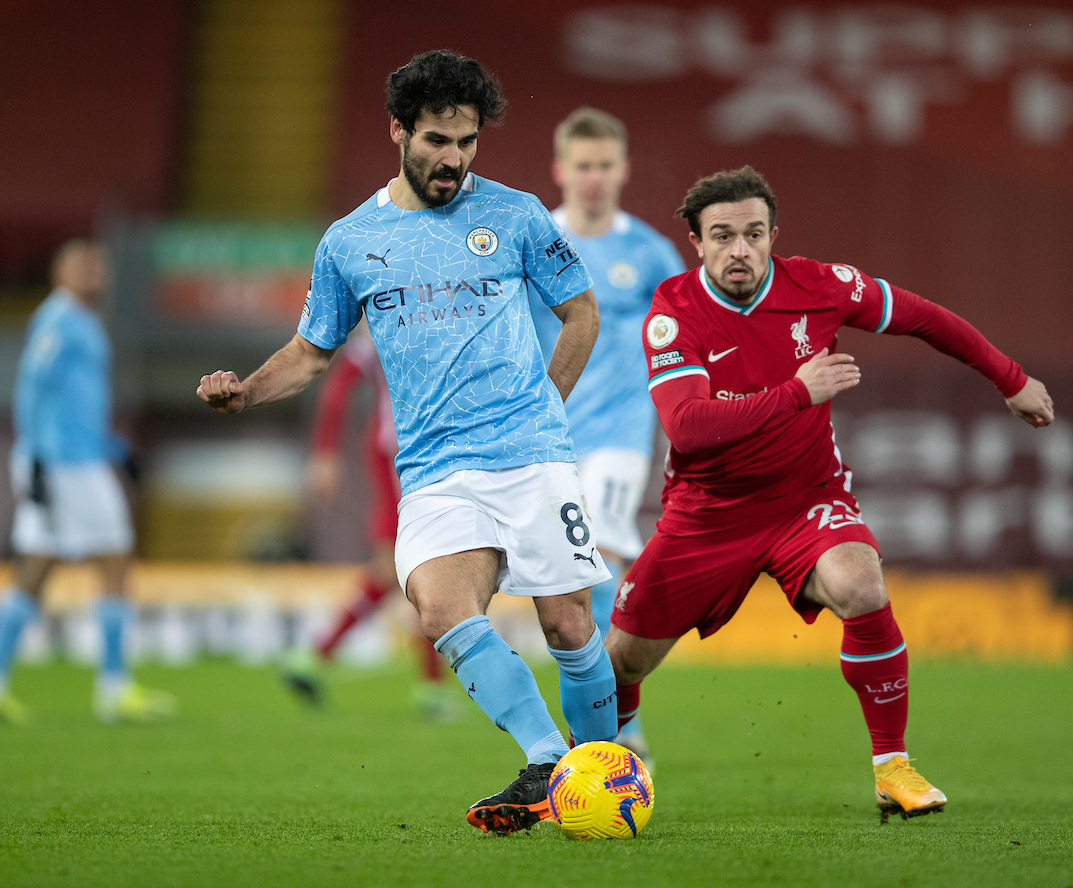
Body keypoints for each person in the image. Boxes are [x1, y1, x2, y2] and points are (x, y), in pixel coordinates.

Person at [197, 50, 617, 835]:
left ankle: (604, 770)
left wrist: (544, 408)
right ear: (398, 130)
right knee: (441, 610)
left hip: (530, 454)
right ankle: (549, 762)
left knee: (567, 624)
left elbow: (581, 312)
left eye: (466, 142)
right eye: (435, 141)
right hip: (432, 469)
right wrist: (247, 390)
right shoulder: (349, 242)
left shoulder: (518, 214)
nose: (453, 159)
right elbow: (312, 352)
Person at [605, 167, 1055, 822]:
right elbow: (688, 428)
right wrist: (797, 391)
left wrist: (1010, 379)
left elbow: (925, 318)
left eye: (753, 234)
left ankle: (892, 768)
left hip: (803, 502)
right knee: (619, 662)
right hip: (707, 513)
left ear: (772, 236)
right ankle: (611, 753)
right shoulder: (675, 311)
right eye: (723, 236)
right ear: (697, 243)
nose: (740, 250)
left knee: (862, 585)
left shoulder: (819, 286)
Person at [528, 107, 686, 766]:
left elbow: (688, 340)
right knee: (569, 578)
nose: (593, 178)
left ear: (622, 170)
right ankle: (611, 721)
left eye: (604, 165)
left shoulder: (651, 254)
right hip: (544, 434)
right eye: (582, 166)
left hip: (622, 434)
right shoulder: (533, 239)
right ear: (561, 170)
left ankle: (614, 728)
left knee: (595, 563)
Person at [0, 239, 177, 725]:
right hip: (63, 464)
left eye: (98, 265)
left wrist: (117, 450)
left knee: (35, 568)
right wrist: (35, 457)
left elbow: (77, 405)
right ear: (60, 273)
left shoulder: (83, 322)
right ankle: (114, 685)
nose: (94, 273)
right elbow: (32, 389)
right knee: (116, 557)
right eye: (82, 265)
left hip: (75, 458)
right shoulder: (57, 321)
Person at [281, 329, 459, 721]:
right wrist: (325, 452)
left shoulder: (437, 313)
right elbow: (342, 381)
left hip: (424, 452)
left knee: (400, 571)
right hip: (400, 454)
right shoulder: (391, 317)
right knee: (419, 567)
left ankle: (316, 656)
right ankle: (428, 688)